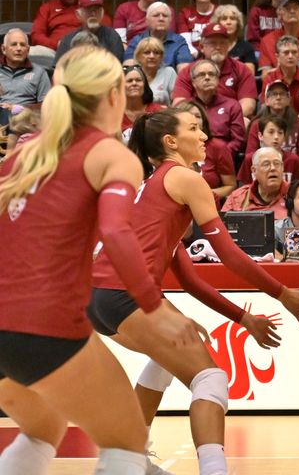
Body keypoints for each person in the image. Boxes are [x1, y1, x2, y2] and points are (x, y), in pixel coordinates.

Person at [89, 108, 299, 474]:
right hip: (124, 292)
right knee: (210, 378)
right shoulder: (184, 177)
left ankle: (129, 459)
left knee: (165, 360)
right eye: (194, 128)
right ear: (170, 142)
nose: (205, 136)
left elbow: (191, 280)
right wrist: (281, 292)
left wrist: (244, 319)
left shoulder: (152, 188)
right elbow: (228, 253)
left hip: (98, 299)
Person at [0, 47, 194, 475]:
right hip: (42, 323)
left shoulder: (22, 157)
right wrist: (152, 306)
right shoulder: (111, 156)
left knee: (43, 429)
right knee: (126, 441)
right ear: (112, 97)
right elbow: (116, 233)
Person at [172, 23, 257, 118]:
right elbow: (179, 103)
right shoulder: (188, 71)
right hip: (196, 120)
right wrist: (203, 120)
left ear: (229, 46)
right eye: (213, 43)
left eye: (223, 43)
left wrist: (223, 120)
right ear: (202, 47)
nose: (218, 47)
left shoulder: (242, 69)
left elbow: (248, 105)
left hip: (230, 120)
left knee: (245, 122)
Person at [176, 99, 236, 202]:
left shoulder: (218, 147)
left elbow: (230, 186)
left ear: (204, 122)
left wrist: (203, 195)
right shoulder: (172, 146)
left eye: (198, 116)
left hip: (209, 202)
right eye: (189, 116)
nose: (194, 120)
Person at [183, 59, 246, 157]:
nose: (207, 77)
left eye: (211, 74)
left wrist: (217, 155)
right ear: (193, 82)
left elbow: (238, 141)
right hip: (191, 157)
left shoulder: (232, 105)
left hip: (222, 159)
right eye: (202, 74)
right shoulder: (187, 107)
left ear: (217, 80)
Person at [262, 35, 299, 124]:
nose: (290, 56)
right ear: (277, 57)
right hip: (276, 123)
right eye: (286, 53)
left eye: (294, 52)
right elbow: (265, 110)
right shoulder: (270, 78)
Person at [58, 0, 125, 64]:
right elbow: (58, 68)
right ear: (78, 14)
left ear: (102, 13)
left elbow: (117, 66)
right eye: (88, 10)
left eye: (97, 10)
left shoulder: (112, 36)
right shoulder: (68, 39)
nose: (93, 14)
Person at [123, 3, 192, 70]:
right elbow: (128, 69)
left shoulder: (178, 41)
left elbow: (184, 71)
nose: (161, 19)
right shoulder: (137, 41)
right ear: (147, 21)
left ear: (170, 20)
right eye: (156, 15)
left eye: (165, 16)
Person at [225, 147, 289, 217]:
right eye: (266, 164)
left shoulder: (294, 194)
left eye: (277, 163)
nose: (273, 168)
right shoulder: (237, 197)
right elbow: (222, 225)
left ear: (282, 167)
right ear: (254, 170)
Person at [0, 28, 51, 109]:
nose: (19, 48)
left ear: (28, 50)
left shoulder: (39, 72)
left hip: (27, 118)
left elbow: (47, 106)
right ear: (3, 49)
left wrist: (18, 108)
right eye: (14, 44)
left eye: (22, 45)